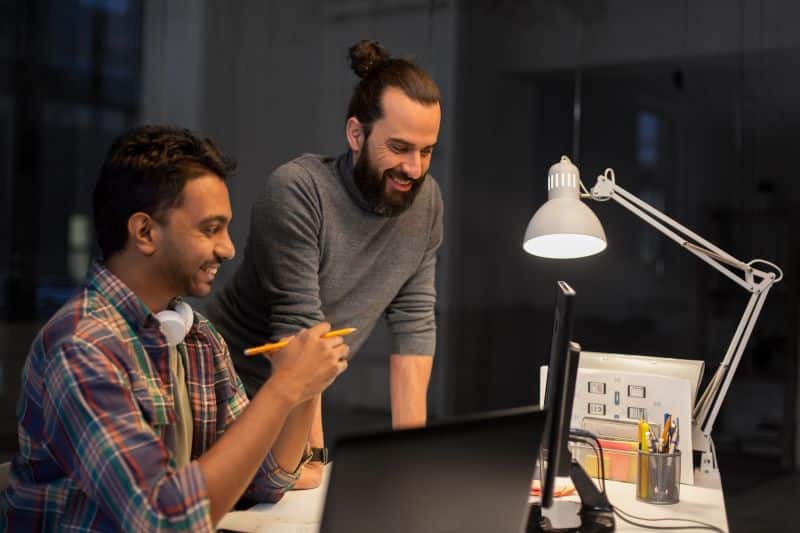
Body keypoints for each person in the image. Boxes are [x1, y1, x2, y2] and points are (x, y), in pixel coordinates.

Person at [0, 125, 349, 532]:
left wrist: (303, 390)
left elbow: (264, 479)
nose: (228, 248)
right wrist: (282, 388)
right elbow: (164, 520)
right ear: (145, 232)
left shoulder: (196, 337)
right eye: (210, 228)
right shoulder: (82, 347)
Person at [204, 40, 443, 488]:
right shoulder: (298, 190)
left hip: (302, 389)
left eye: (426, 151)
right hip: (228, 394)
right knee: (301, 489)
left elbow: (414, 324)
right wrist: (310, 458)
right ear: (356, 134)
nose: (414, 168)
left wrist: (412, 462)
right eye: (399, 147)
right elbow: (302, 331)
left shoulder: (426, 203)